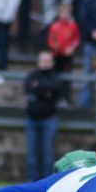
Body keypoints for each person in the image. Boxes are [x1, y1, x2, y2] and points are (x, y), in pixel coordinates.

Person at [23, 51, 63, 181]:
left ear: (52, 63)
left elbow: (54, 89)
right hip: (31, 119)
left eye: (47, 61)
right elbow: (28, 88)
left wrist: (38, 88)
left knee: (48, 153)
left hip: (49, 119)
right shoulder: (32, 75)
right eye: (43, 61)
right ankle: (32, 182)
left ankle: (47, 182)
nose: (45, 63)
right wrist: (44, 92)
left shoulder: (55, 77)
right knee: (32, 154)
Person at [47, 2, 80, 99]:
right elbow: (51, 40)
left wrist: (71, 48)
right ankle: (55, 97)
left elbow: (76, 40)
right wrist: (54, 47)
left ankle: (66, 98)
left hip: (67, 56)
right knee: (55, 76)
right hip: (57, 55)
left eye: (67, 13)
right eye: (63, 13)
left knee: (67, 77)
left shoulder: (73, 26)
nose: (65, 15)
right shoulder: (54, 26)